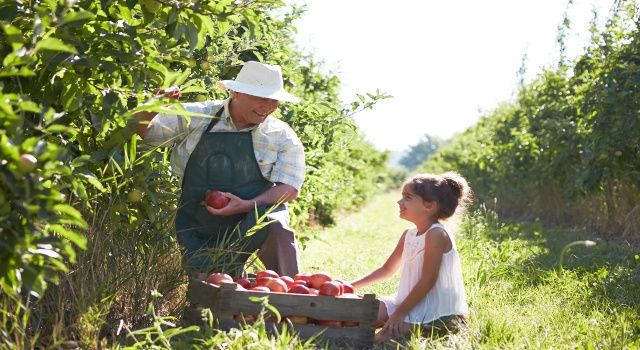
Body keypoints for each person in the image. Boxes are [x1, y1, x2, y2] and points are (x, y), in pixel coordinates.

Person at [132, 61, 305, 277]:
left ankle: (290, 296)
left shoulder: (281, 136)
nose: (268, 106)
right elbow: (145, 133)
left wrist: (246, 205)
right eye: (262, 98)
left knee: (276, 224)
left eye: (274, 100)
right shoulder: (198, 117)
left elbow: (289, 188)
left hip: (252, 217)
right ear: (236, 92)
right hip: (200, 216)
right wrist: (153, 106)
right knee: (210, 289)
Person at [351, 172, 472, 343]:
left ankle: (444, 325)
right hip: (406, 302)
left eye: (407, 197)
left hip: (436, 310)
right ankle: (397, 318)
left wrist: (398, 315)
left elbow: (428, 280)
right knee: (357, 314)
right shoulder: (409, 234)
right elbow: (386, 270)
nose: (399, 202)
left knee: (376, 340)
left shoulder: (436, 234)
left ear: (429, 206)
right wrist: (350, 286)